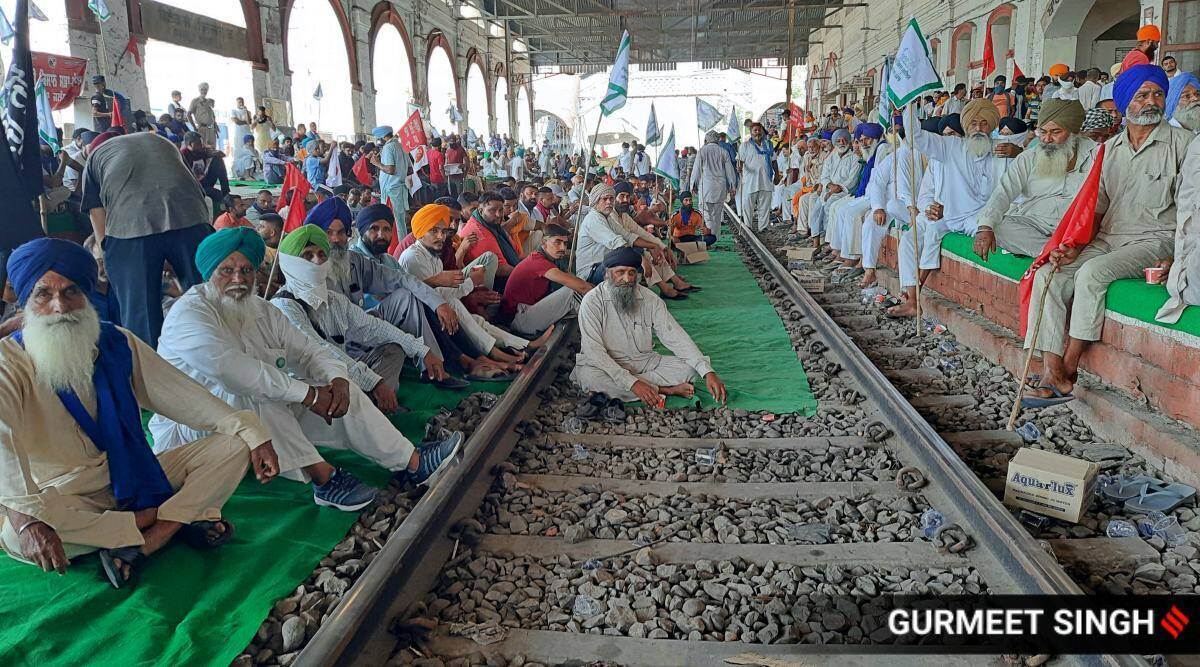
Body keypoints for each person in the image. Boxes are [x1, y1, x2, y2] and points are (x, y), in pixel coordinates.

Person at [0, 238, 278, 588]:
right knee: (15, 533)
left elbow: (183, 396)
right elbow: (3, 445)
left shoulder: (116, 342)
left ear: (87, 295)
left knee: (234, 445)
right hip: (66, 494)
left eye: (71, 292)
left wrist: (251, 431)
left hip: (133, 473)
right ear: (25, 300)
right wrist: (29, 522)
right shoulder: (8, 364)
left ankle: (155, 534)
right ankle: (170, 518)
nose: (60, 306)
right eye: (43, 294)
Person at [152, 228, 464, 511]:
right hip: (195, 433)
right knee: (255, 392)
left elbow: (308, 349)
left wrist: (337, 380)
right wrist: (308, 395)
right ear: (210, 274)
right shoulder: (188, 315)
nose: (238, 279)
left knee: (332, 386)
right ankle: (324, 480)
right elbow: (234, 371)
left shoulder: (260, 309)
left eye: (246, 270)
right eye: (227, 270)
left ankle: (412, 462)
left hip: (260, 427)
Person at [1025, 65, 1189, 406]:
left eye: (1157, 94)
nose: (1151, 102)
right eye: (1142, 95)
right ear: (1126, 101)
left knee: (1092, 273)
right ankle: (1050, 370)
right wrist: (1073, 247)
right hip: (1110, 237)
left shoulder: (1184, 144)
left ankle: (1068, 371)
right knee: (1048, 275)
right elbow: (1095, 209)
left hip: (1155, 239)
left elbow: (1192, 210)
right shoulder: (1110, 148)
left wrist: (1180, 257)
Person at [271, 224, 433, 403]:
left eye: (321, 254)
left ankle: (374, 407)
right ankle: (368, 408)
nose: (317, 261)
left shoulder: (333, 299)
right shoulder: (283, 307)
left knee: (393, 348)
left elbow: (372, 327)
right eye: (307, 256)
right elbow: (320, 352)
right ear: (290, 262)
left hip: (344, 370)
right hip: (310, 391)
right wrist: (373, 382)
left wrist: (421, 350)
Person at [81, 131, 212, 347]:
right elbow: (196, 190)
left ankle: (150, 369)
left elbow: (96, 213)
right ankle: (213, 352)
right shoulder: (162, 141)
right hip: (191, 218)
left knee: (140, 312)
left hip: (130, 228)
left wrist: (108, 255)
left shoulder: (94, 158)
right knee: (207, 294)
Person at [888, 101, 1004, 317]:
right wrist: (911, 104)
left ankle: (915, 296)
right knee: (911, 237)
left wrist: (1019, 150)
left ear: (992, 127)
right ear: (966, 127)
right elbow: (915, 136)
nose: (978, 129)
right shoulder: (950, 147)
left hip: (977, 219)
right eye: (973, 124)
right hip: (947, 216)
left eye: (984, 124)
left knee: (1000, 236)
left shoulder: (1001, 149)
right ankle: (912, 300)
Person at [572, 247, 727, 406]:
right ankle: (665, 389)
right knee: (593, 380)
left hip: (644, 363)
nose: (627, 279)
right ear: (607, 274)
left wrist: (707, 371)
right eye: (620, 272)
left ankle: (639, 390)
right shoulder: (592, 301)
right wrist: (633, 383)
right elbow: (594, 352)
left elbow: (675, 336)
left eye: (631, 273)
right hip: (606, 366)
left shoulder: (650, 299)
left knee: (690, 369)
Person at [398, 204, 540, 369]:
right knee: (453, 305)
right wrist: (471, 282)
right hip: (420, 317)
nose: (441, 236)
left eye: (443, 232)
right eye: (434, 231)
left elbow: (443, 290)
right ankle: (494, 353)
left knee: (474, 318)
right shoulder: (413, 258)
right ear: (420, 232)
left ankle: (520, 345)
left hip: (440, 307)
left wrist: (469, 283)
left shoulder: (434, 256)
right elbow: (435, 297)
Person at [973, 100, 1093, 261]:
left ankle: (1053, 252)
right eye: (1042, 132)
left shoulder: (1097, 154)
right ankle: (1051, 252)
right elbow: (1003, 192)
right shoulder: (1028, 157)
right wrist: (985, 227)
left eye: (1055, 132)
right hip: (1035, 224)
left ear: (1073, 132)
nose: (1047, 139)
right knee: (997, 226)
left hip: (1078, 227)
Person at [501, 223, 591, 336]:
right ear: (543, 243)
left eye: (565, 243)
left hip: (527, 312)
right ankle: (598, 334)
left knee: (579, 285)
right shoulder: (539, 262)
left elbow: (573, 279)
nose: (563, 248)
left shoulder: (548, 258)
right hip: (519, 320)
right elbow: (581, 287)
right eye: (557, 242)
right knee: (573, 291)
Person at [689, 131, 737, 241]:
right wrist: (732, 185)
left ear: (706, 140)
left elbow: (696, 170)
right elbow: (730, 170)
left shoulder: (702, 151)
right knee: (717, 213)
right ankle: (715, 236)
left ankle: (709, 235)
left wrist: (693, 185)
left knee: (705, 212)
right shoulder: (723, 151)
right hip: (720, 186)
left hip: (706, 186)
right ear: (718, 139)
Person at [370, 126, 412, 233]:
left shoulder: (388, 148)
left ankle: (396, 247)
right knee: (401, 221)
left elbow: (390, 170)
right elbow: (409, 170)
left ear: (383, 137)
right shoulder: (401, 146)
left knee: (393, 222)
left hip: (391, 190)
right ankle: (401, 245)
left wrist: (377, 163)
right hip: (400, 188)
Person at [736, 123, 776, 231]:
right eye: (755, 130)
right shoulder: (745, 145)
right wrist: (739, 167)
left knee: (765, 204)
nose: (757, 132)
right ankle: (748, 226)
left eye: (759, 130)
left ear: (762, 131)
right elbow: (740, 161)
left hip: (766, 179)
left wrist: (776, 175)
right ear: (751, 132)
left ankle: (763, 227)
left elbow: (774, 160)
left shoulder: (768, 144)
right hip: (750, 180)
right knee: (748, 203)